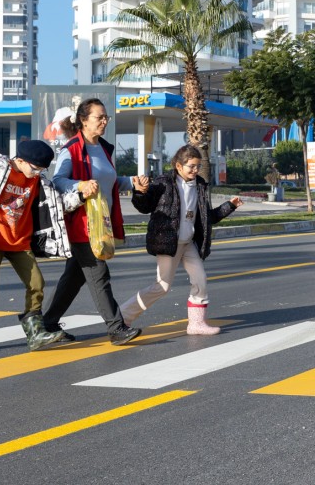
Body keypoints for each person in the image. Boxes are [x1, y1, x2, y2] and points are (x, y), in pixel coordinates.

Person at [0, 139, 71, 354]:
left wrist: (81, 195)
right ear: (19, 160)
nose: (37, 173)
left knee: (36, 283)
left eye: (42, 170)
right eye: (35, 168)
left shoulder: (39, 182)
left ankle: (35, 334)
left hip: (20, 241)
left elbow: (57, 205)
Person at [40, 98, 141, 345]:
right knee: (99, 274)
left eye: (106, 117)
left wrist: (132, 182)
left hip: (100, 221)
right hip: (81, 223)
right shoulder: (71, 149)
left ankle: (48, 324)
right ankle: (116, 328)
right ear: (84, 121)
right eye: (100, 117)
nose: (105, 121)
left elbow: (109, 181)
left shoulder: (104, 148)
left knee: (74, 277)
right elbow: (58, 181)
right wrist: (80, 185)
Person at [120, 144, 242, 335]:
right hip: (169, 243)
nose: (195, 170)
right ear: (178, 166)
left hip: (189, 243)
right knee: (162, 287)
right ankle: (123, 316)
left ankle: (196, 323)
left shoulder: (200, 185)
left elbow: (206, 217)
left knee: (200, 279)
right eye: (191, 166)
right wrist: (140, 191)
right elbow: (144, 207)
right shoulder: (163, 183)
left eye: (197, 166)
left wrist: (229, 206)